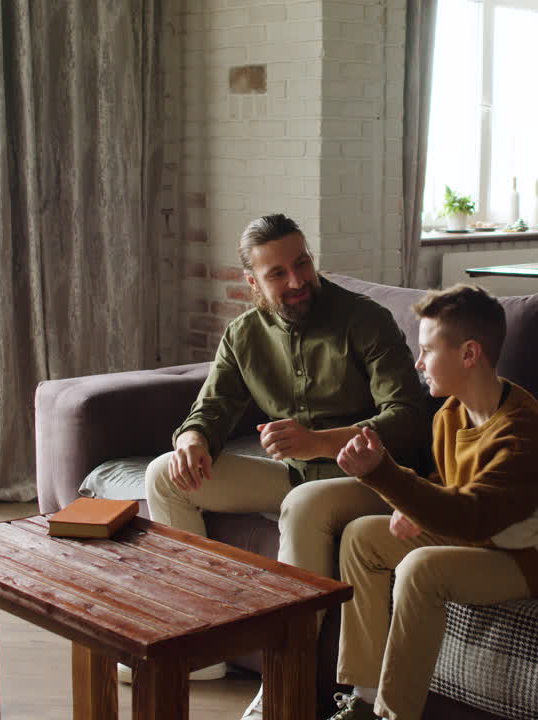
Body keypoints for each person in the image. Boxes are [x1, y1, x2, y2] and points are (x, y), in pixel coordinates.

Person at [142, 213, 431, 718]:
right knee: (166, 475)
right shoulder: (244, 334)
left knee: (302, 502)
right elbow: (211, 408)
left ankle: (283, 684)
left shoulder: (364, 320)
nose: (297, 281)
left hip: (373, 478)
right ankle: (201, 649)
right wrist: (192, 437)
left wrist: (318, 441)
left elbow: (408, 418)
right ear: (251, 282)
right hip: (297, 474)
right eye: (278, 273)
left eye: (303, 264)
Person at [326, 284, 538, 720]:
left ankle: (392, 715)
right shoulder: (451, 414)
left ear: (469, 354)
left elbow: (473, 518)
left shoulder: (521, 432)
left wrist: (383, 474)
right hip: (492, 537)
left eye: (426, 350)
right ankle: (362, 699)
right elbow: (451, 484)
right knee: (362, 536)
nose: (418, 364)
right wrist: (414, 504)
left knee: (421, 570)